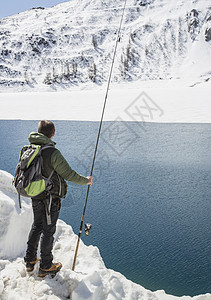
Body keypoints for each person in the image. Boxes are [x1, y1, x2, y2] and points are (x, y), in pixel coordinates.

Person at [24, 120, 93, 277]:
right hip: (50, 197)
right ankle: (46, 266)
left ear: (38, 132)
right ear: (52, 134)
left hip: (35, 194)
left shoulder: (29, 149)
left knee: (37, 225)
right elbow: (68, 174)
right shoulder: (52, 152)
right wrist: (86, 180)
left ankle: (30, 261)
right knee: (48, 230)